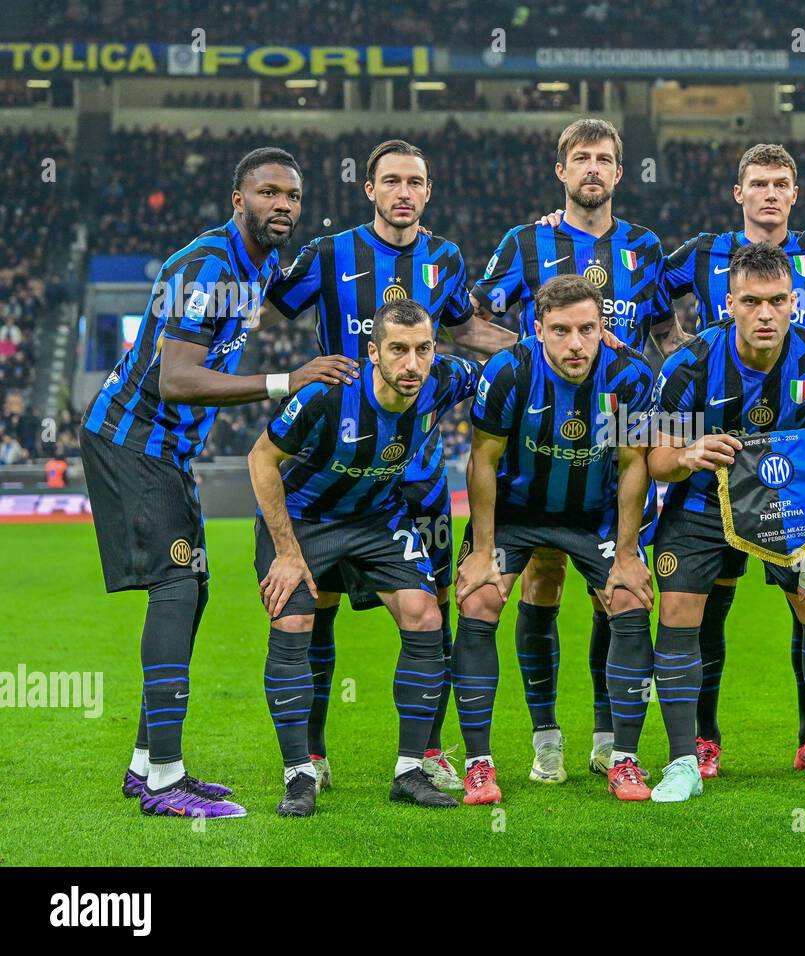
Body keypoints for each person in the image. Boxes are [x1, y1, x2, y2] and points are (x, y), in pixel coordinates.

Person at [80, 147, 358, 817]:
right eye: (268, 193)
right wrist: (282, 382)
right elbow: (177, 376)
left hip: (167, 450)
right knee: (176, 584)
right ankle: (165, 784)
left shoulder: (257, 264)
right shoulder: (207, 265)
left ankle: (148, 764)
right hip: (131, 441)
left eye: (291, 195)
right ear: (239, 200)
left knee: (193, 588)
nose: (282, 205)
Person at [258, 139, 513, 794]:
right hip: (333, 459)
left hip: (417, 478)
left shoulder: (448, 258)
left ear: (428, 192)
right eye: (392, 181)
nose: (404, 192)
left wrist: (542, 346)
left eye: (416, 182)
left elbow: (468, 334)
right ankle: (309, 755)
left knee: (431, 610)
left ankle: (426, 754)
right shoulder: (327, 253)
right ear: (368, 189)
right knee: (321, 607)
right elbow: (266, 306)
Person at [471, 119, 672, 782]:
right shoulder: (524, 242)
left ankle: (610, 738)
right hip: (534, 454)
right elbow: (469, 318)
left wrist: (670, 400)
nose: (593, 167)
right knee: (542, 579)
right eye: (581, 158)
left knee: (612, 594)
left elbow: (668, 335)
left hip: (611, 437)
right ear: (561, 170)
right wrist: (537, 356)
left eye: (605, 158)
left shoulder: (644, 247)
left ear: (620, 172)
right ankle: (546, 738)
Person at [647, 241, 805, 802]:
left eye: (777, 300)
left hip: (787, 501)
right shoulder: (688, 364)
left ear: (795, 301)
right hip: (701, 503)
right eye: (752, 301)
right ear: (729, 303)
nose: (766, 313)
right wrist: (685, 455)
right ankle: (683, 762)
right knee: (680, 611)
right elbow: (652, 457)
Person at [247, 298, 479, 815]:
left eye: (422, 349)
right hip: (304, 521)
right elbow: (261, 457)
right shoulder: (328, 396)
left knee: (425, 614)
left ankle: (409, 770)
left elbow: (516, 368)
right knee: (294, 625)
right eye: (398, 350)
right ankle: (299, 775)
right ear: (374, 352)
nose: (412, 364)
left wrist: (590, 345)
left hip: (378, 518)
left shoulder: (446, 378)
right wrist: (286, 550)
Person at [453, 274, 657, 804]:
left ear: (601, 328)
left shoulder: (630, 375)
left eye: (587, 329)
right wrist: (480, 552)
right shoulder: (508, 372)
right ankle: (485, 761)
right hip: (519, 512)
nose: (575, 343)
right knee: (478, 598)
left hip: (593, 514)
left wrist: (630, 554)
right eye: (561, 330)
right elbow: (483, 459)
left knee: (629, 598)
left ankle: (623, 759)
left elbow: (635, 463)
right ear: (537, 329)